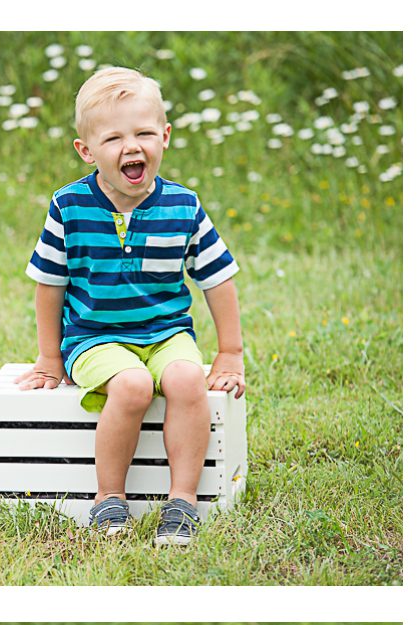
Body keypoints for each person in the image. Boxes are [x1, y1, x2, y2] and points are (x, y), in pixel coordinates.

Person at [14, 65, 246, 546]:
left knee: (185, 378)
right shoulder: (69, 206)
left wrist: (230, 352)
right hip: (94, 338)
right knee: (134, 385)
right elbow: (49, 285)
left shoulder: (183, 206)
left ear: (164, 136)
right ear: (87, 150)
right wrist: (49, 357)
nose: (132, 147)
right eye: (114, 138)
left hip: (166, 333)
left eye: (144, 133)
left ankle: (182, 502)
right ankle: (109, 498)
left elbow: (217, 279)